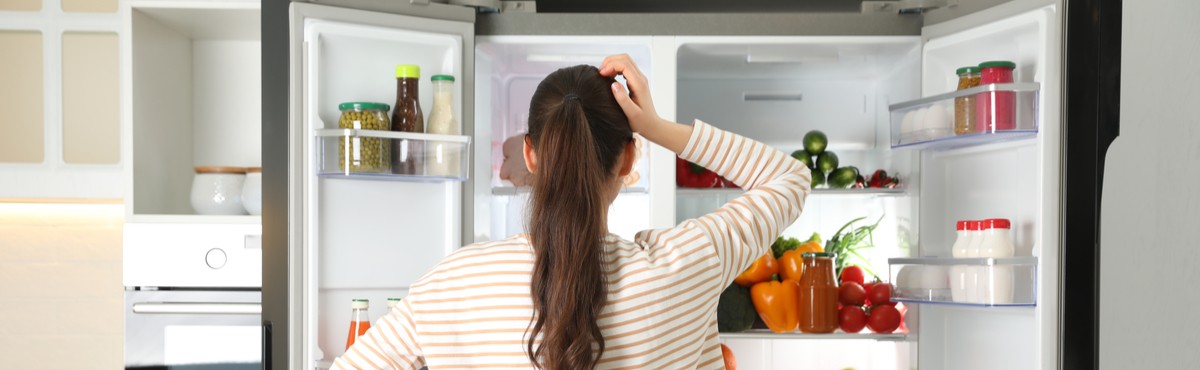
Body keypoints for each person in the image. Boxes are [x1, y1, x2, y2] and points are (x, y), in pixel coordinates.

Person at [332, 54, 811, 369]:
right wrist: (656, 126)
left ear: (532, 156)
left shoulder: (453, 282)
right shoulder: (686, 263)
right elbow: (790, 179)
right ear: (627, 159)